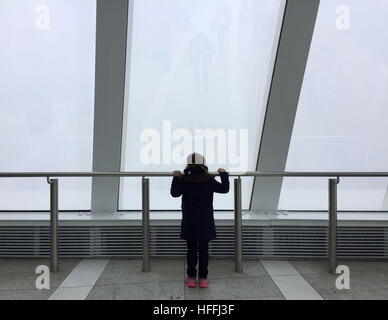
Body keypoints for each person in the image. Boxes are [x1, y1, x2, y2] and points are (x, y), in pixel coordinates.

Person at [170, 152, 229, 288]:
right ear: (204, 165)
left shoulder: (184, 179)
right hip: (205, 220)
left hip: (189, 220)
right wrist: (223, 174)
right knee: (204, 249)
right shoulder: (208, 179)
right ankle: (203, 278)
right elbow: (224, 189)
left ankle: (191, 277)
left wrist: (176, 177)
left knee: (191, 249)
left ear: (188, 165)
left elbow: (174, 193)